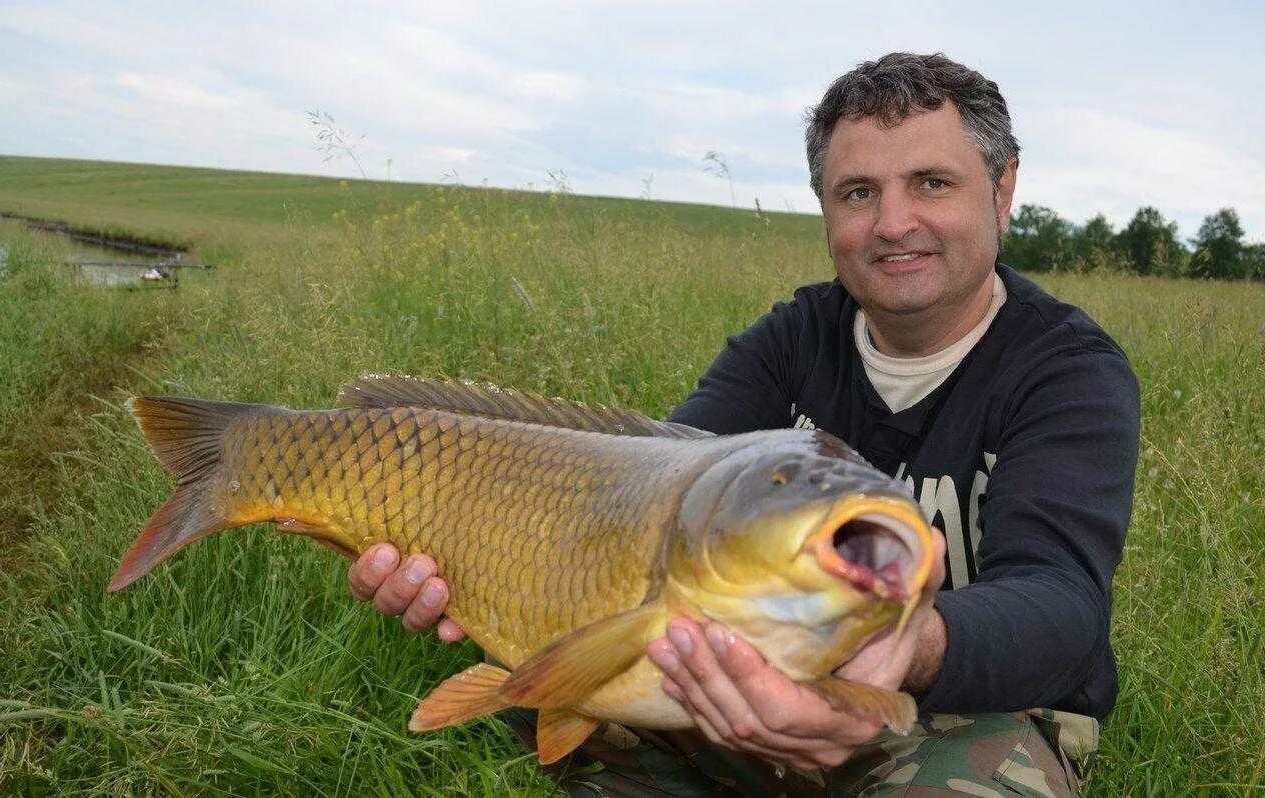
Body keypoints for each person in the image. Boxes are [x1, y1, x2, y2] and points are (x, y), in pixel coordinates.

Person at [347, 52, 1140, 796]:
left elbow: (1060, 601)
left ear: (1002, 191)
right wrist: (459, 549)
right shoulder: (792, 339)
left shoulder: (1066, 371)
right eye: (859, 192)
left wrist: (913, 646)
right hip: (760, 668)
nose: (894, 222)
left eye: (931, 183)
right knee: (548, 685)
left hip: (963, 702)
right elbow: (645, 486)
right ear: (827, 209)